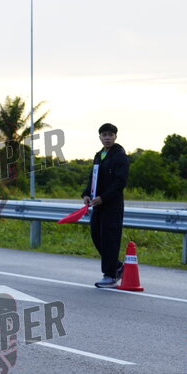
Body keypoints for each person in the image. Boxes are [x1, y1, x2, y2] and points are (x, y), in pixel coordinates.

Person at [82, 123, 129, 288]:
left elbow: (120, 182)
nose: (107, 138)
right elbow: (93, 178)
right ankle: (117, 266)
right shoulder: (99, 155)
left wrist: (104, 198)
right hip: (98, 205)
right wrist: (86, 194)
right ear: (100, 137)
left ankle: (110, 275)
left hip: (112, 206)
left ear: (115, 136)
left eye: (110, 135)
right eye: (104, 135)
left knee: (110, 240)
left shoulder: (120, 156)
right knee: (96, 236)